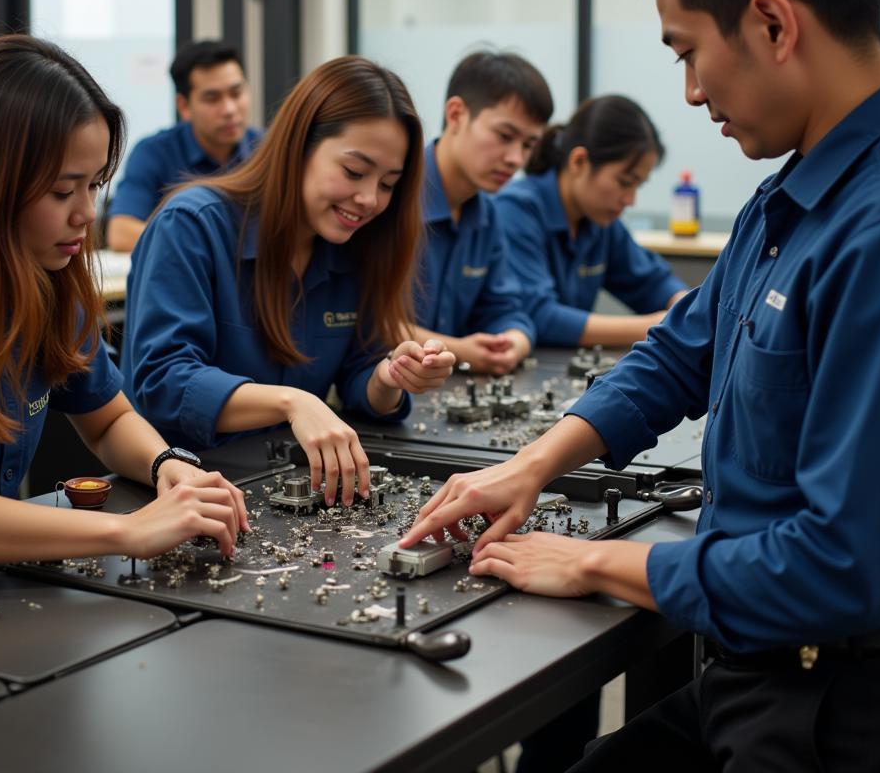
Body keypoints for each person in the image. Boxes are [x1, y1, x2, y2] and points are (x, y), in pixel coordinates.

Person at [400, 0, 880, 771]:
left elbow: (841, 567)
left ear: (773, 24)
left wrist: (597, 563)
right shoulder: (790, 196)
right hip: (753, 667)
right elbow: (681, 353)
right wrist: (533, 468)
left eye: (689, 53)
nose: (693, 92)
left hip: (837, 700)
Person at [0, 35, 249, 563]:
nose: (87, 214)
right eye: (62, 191)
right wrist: (128, 532)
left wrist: (169, 466)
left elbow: (108, 420)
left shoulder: (44, 276)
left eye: (95, 185)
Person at [122, 56, 456, 507]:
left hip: (286, 490)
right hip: (179, 494)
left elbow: (360, 378)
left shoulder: (356, 245)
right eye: (355, 172)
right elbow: (163, 381)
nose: (369, 199)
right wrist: (293, 402)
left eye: (388, 184)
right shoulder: (192, 226)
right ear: (298, 146)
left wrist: (388, 375)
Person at [496, 95, 688, 348]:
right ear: (579, 162)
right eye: (624, 182)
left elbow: (652, 281)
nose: (630, 200)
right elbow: (539, 316)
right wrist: (657, 327)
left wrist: (686, 306)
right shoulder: (516, 209)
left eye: (638, 186)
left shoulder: (599, 220)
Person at [412, 51, 552, 376]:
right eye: (504, 136)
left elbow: (505, 309)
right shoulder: (391, 197)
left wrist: (514, 341)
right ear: (457, 114)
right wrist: (460, 351)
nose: (516, 158)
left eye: (529, 145)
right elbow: (366, 324)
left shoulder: (487, 214)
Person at [106, 39, 262, 251]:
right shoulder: (154, 152)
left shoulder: (269, 149)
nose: (229, 109)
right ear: (184, 106)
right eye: (212, 98)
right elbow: (121, 233)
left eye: (236, 93)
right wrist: (208, 245)